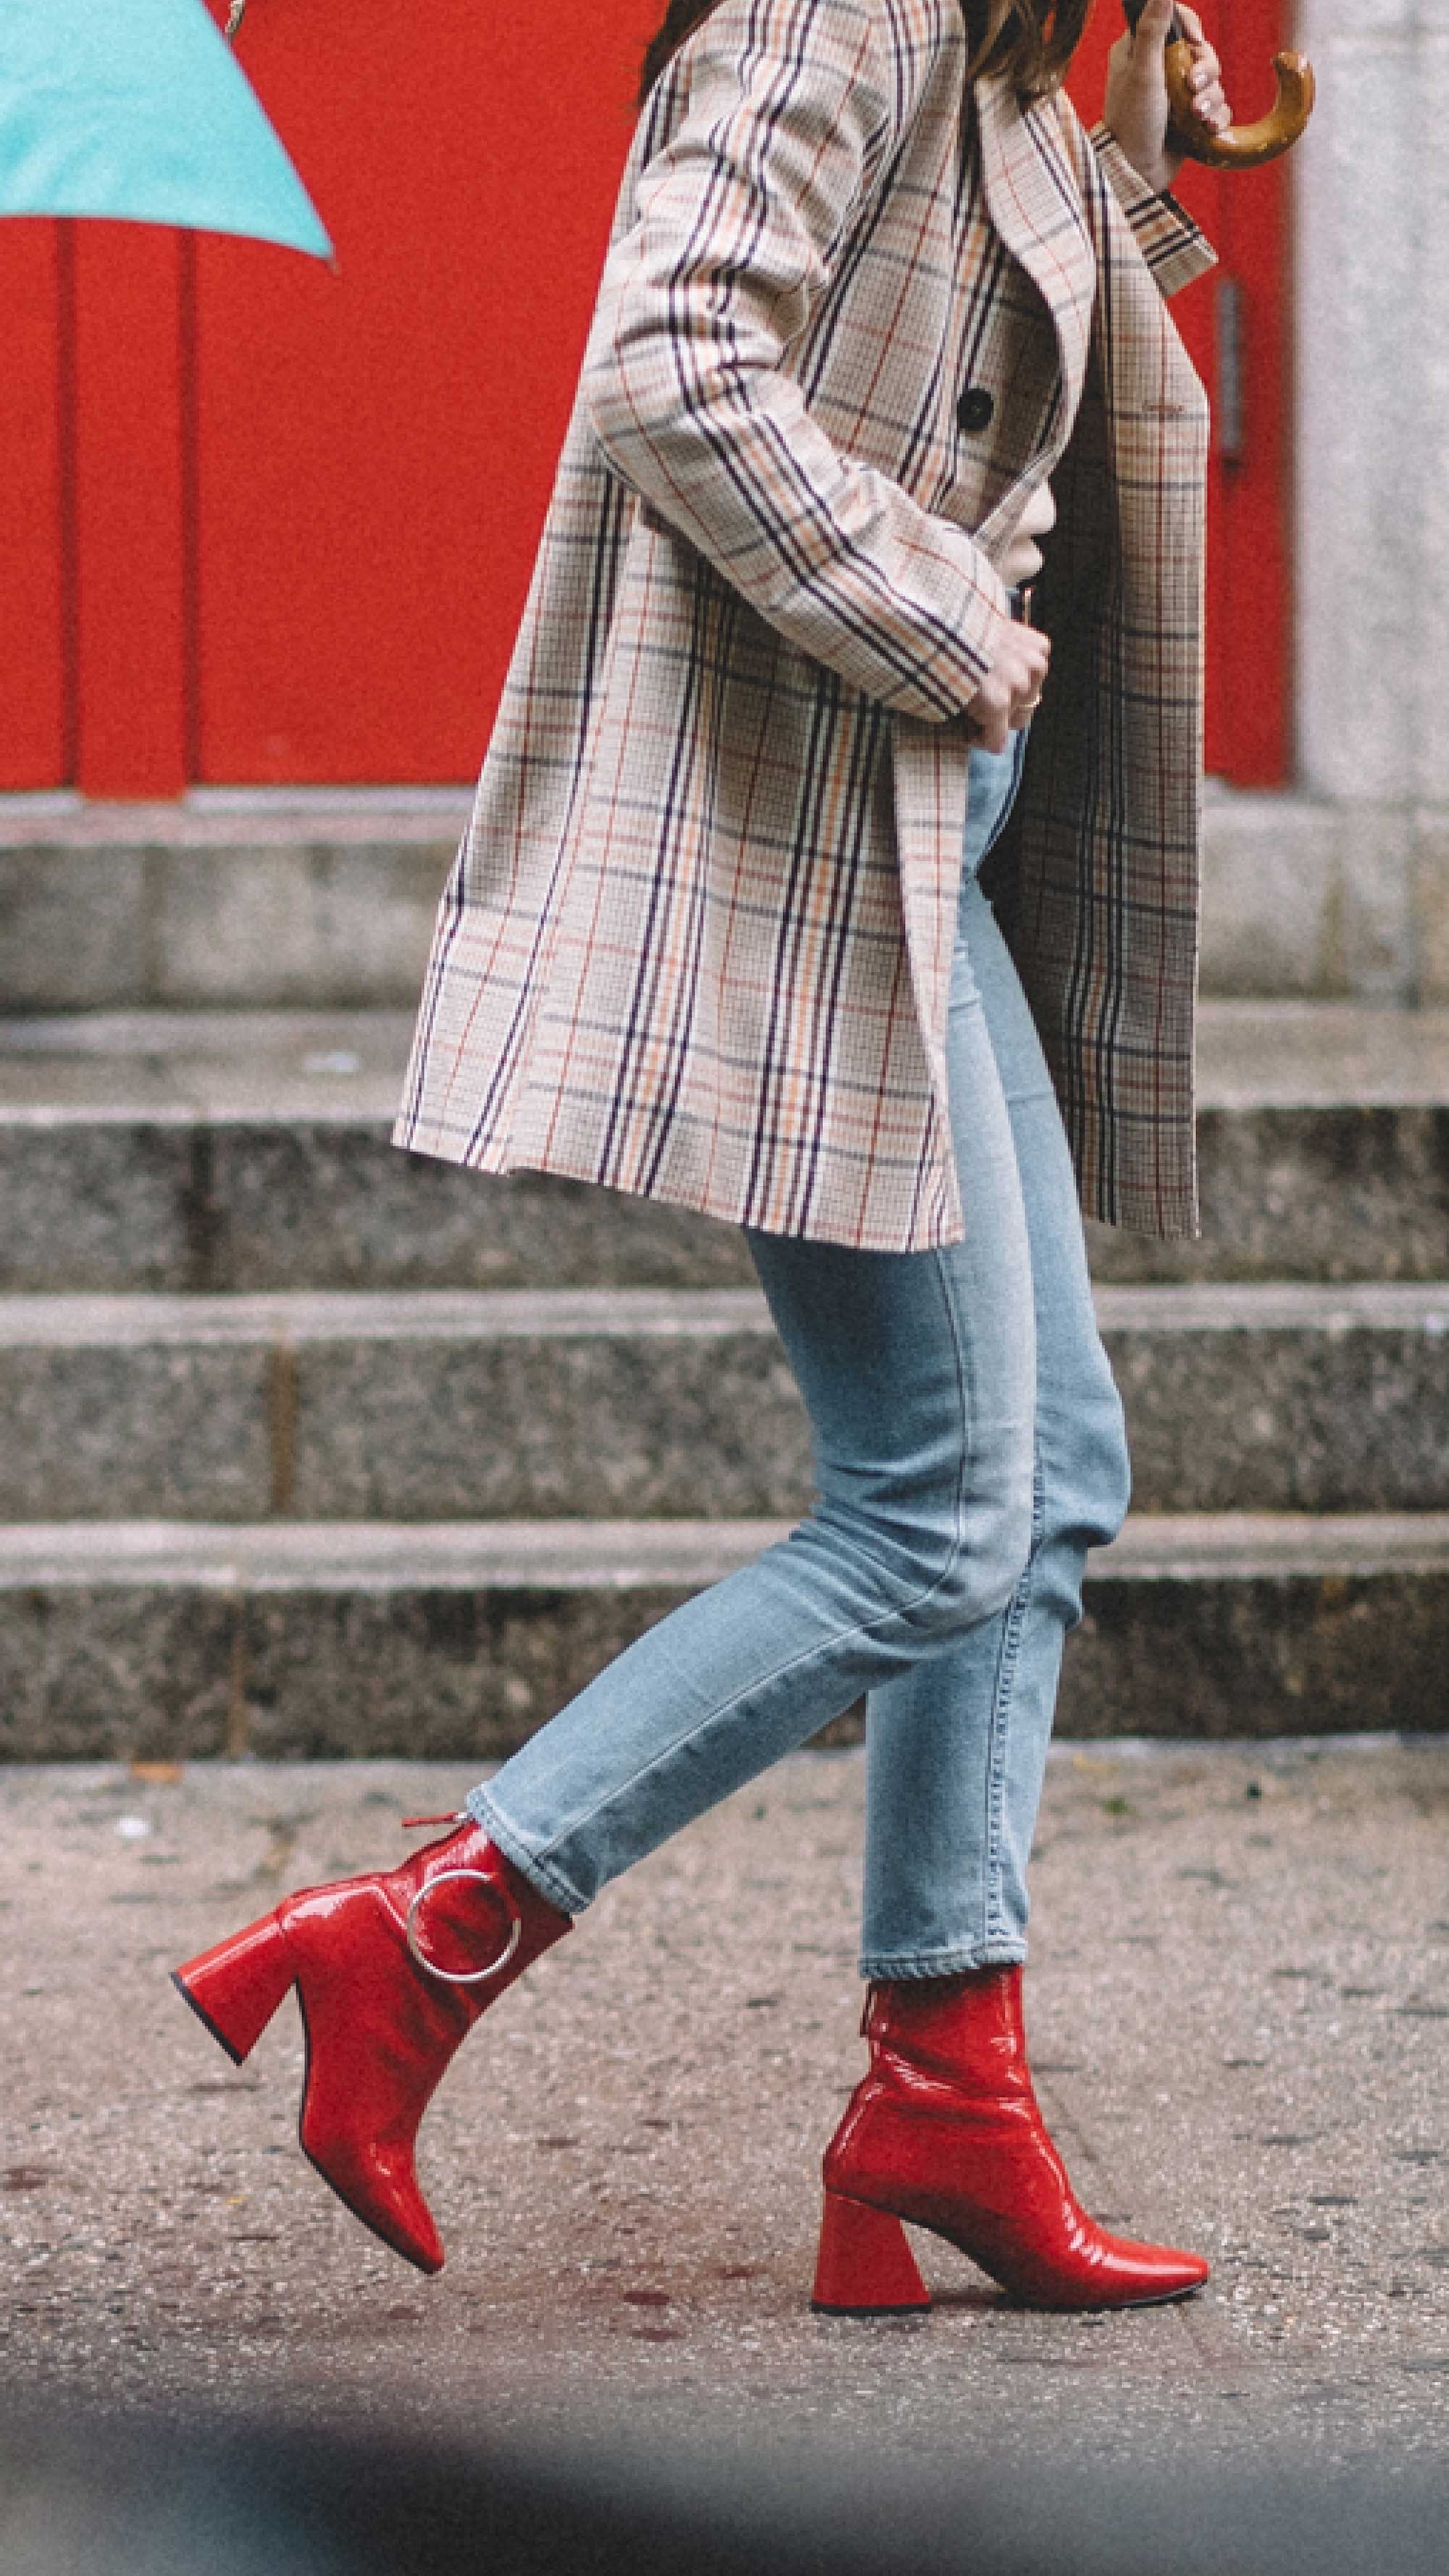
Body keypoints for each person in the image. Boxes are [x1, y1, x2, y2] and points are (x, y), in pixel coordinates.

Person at [175, 0, 1232, 2315]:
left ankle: (946, 2084)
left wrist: (1129, 113)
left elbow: (1022, 350)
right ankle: (426, 1935)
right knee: (935, 1505)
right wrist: (937, 612)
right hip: (813, 824)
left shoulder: (998, 44)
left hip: (930, 830)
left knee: (1043, 1469)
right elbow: (673, 348)